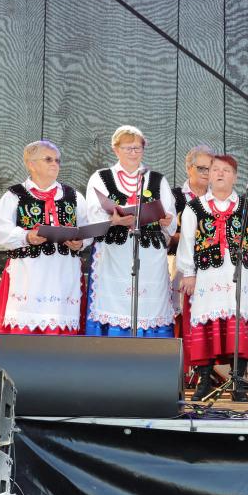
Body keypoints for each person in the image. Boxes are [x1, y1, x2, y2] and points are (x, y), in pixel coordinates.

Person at [177, 154, 248, 402]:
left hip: (240, 276)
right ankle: (204, 380)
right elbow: (187, 241)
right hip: (207, 277)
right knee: (207, 325)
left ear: (235, 177)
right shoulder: (195, 207)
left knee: (238, 326)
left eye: (226, 170)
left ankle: (237, 382)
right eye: (215, 169)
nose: (219, 173)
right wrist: (188, 273)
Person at [0, 141, 89, 349]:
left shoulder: (73, 195)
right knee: (25, 318)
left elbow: (86, 227)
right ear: (31, 164)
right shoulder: (15, 195)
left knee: (61, 320)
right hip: (28, 272)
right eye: (48, 159)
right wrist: (26, 236)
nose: (55, 164)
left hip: (63, 271)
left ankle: (59, 363)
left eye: (57, 160)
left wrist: (80, 242)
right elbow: (0, 228)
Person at [85, 125, 176, 337]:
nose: (133, 153)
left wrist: (166, 220)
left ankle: (151, 347)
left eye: (137, 148)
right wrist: (113, 219)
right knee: (114, 303)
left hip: (149, 253)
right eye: (128, 148)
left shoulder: (157, 179)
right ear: (116, 149)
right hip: (114, 252)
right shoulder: (101, 177)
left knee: (149, 306)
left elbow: (169, 216)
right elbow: (93, 213)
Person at [169, 145, 214, 337]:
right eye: (201, 168)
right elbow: (165, 234)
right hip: (178, 265)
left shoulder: (219, 197)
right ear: (189, 169)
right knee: (181, 317)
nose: (207, 173)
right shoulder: (174, 196)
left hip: (212, 267)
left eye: (210, 168)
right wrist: (188, 238)